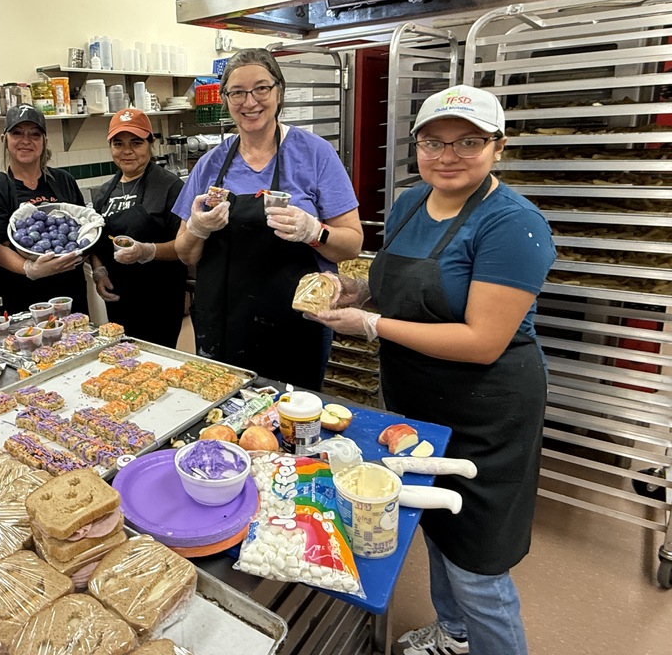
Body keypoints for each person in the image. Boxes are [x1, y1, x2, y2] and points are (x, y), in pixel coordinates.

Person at [309, 85, 556, 655]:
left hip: (485, 408)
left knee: (478, 560)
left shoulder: (512, 226)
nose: (448, 155)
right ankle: (454, 632)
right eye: (433, 141)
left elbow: (482, 341)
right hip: (417, 398)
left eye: (468, 141)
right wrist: (360, 291)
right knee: (434, 523)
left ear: (498, 146)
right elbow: (399, 281)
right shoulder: (410, 202)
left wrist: (371, 327)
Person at [172, 48, 362, 389]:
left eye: (261, 88)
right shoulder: (211, 164)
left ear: (279, 91)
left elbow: (352, 243)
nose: (250, 102)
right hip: (224, 321)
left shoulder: (315, 153)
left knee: (293, 422)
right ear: (225, 98)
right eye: (238, 92)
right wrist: (197, 229)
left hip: (296, 323)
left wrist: (314, 231)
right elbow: (186, 253)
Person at [0, 104, 89, 315]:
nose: (26, 141)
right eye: (17, 133)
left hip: (69, 291)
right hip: (22, 295)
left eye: (35, 134)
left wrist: (99, 270)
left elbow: (85, 228)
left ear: (44, 141)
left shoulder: (63, 181)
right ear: (5, 139)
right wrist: (31, 270)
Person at [89, 109, 186, 346]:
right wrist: (98, 272)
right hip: (119, 297)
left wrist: (146, 251)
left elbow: (186, 247)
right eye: (118, 143)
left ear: (150, 144)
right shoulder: (105, 192)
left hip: (159, 298)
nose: (127, 151)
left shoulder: (170, 187)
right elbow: (94, 239)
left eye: (136, 142)